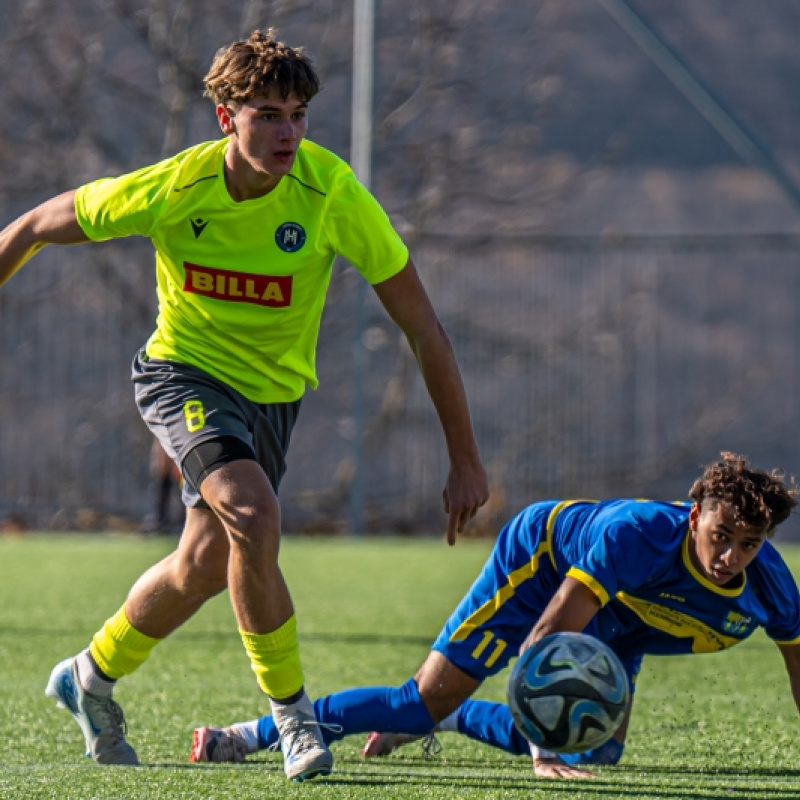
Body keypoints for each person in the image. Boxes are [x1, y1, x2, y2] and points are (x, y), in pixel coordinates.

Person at [0, 29, 489, 780]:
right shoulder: (175, 187)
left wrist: (464, 456)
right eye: (267, 113)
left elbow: (423, 327)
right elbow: (33, 227)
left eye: (297, 114)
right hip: (182, 376)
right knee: (255, 519)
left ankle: (89, 677)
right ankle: (293, 718)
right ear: (226, 118)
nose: (287, 132)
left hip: (272, 400)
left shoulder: (331, 194)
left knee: (203, 564)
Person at [190, 452, 800, 780]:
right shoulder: (634, 536)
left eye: (749, 543)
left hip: (632, 615)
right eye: (721, 535)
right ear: (695, 516)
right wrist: (539, 742)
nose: (730, 556)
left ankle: (457, 718)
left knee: (596, 756)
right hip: (543, 569)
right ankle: (252, 735)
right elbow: (549, 632)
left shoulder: (771, 588)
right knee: (416, 702)